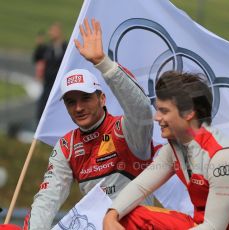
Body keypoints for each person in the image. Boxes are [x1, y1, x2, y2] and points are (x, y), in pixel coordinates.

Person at [24, 18, 154, 229]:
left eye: (86, 98)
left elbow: (141, 109)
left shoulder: (127, 130)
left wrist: (103, 62)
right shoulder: (66, 146)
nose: (78, 108)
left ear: (102, 99)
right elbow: (47, 200)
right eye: (71, 102)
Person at [103, 71, 229, 229]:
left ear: (189, 113)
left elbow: (213, 227)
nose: (157, 117)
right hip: (200, 226)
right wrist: (111, 214)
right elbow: (141, 186)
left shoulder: (223, 158)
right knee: (128, 215)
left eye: (164, 111)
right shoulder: (175, 148)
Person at [35, 22, 68, 123]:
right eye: (51, 31)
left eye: (54, 31)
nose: (51, 33)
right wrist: (39, 47)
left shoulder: (64, 47)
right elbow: (37, 58)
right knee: (42, 109)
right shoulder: (47, 48)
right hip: (47, 84)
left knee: (58, 108)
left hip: (59, 85)